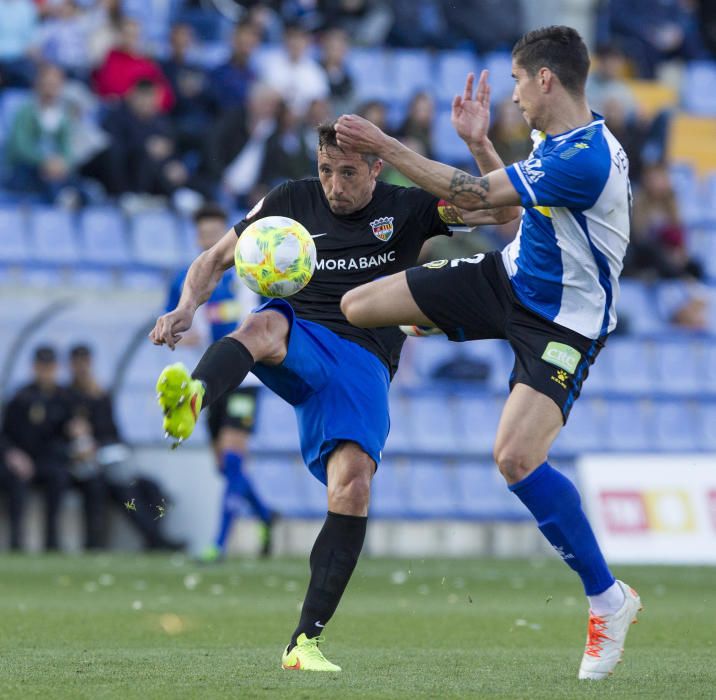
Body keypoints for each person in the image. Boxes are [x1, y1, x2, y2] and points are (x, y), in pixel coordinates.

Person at [149, 122, 517, 671]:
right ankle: (195, 394)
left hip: (364, 358)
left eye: (347, 172)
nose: (333, 185)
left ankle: (303, 644)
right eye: (326, 170)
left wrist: (480, 145)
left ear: (374, 168)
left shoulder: (408, 206)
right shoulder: (289, 201)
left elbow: (503, 214)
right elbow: (213, 259)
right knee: (262, 326)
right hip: (301, 332)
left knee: (352, 487)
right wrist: (185, 308)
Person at [335, 26, 641, 681]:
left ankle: (608, 600)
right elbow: (517, 211)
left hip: (564, 325)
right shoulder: (562, 140)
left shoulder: (586, 158)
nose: (514, 94)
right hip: (507, 279)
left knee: (515, 458)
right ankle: (437, 322)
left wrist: (385, 146)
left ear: (546, 80)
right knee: (358, 307)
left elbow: (478, 199)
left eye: (517, 81)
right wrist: (478, 143)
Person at [165, 204, 275, 561]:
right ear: (197, 236)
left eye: (217, 233)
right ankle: (264, 514)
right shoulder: (187, 277)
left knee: (231, 458)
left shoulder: (248, 271)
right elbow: (175, 320)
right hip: (210, 377)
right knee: (222, 464)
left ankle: (219, 544)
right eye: (205, 234)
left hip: (248, 378)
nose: (211, 239)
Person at [67, 344, 185, 551]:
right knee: (123, 492)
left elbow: (113, 433)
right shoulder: (65, 397)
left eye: (85, 362)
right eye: (78, 363)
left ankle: (154, 538)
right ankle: (154, 541)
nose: (82, 368)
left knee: (150, 488)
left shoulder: (100, 396)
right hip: (83, 469)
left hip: (108, 462)